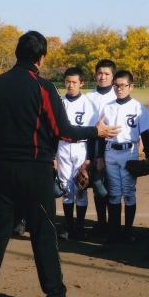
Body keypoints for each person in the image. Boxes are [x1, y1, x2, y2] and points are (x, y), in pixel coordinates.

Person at [0, 31, 120, 297]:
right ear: (40, 58)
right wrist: (95, 131)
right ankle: (54, 296)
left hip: (4, 169)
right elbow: (62, 130)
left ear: (17, 53)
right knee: (43, 234)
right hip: (35, 169)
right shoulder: (43, 87)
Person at [97, 70, 149, 244]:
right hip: (110, 152)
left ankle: (128, 232)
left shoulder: (138, 107)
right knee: (114, 194)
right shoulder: (108, 107)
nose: (119, 89)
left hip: (129, 152)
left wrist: (148, 158)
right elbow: (101, 134)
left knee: (129, 193)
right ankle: (114, 232)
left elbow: (145, 134)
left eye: (123, 85)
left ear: (131, 86)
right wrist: (100, 157)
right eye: (116, 85)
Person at [56, 67, 98, 241]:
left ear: (81, 83)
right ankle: (68, 226)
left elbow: (94, 134)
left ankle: (80, 226)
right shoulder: (59, 103)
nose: (70, 85)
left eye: (74, 82)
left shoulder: (88, 104)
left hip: (81, 148)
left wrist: (88, 159)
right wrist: (53, 156)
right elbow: (53, 131)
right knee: (66, 188)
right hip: (63, 147)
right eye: (67, 81)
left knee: (81, 187)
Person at [84, 59, 118, 237]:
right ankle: (101, 222)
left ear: (113, 76)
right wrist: (92, 155)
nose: (102, 76)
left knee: (112, 186)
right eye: (99, 73)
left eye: (106, 73)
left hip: (113, 145)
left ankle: (114, 224)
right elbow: (90, 128)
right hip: (95, 143)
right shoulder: (89, 97)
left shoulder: (117, 94)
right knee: (97, 184)